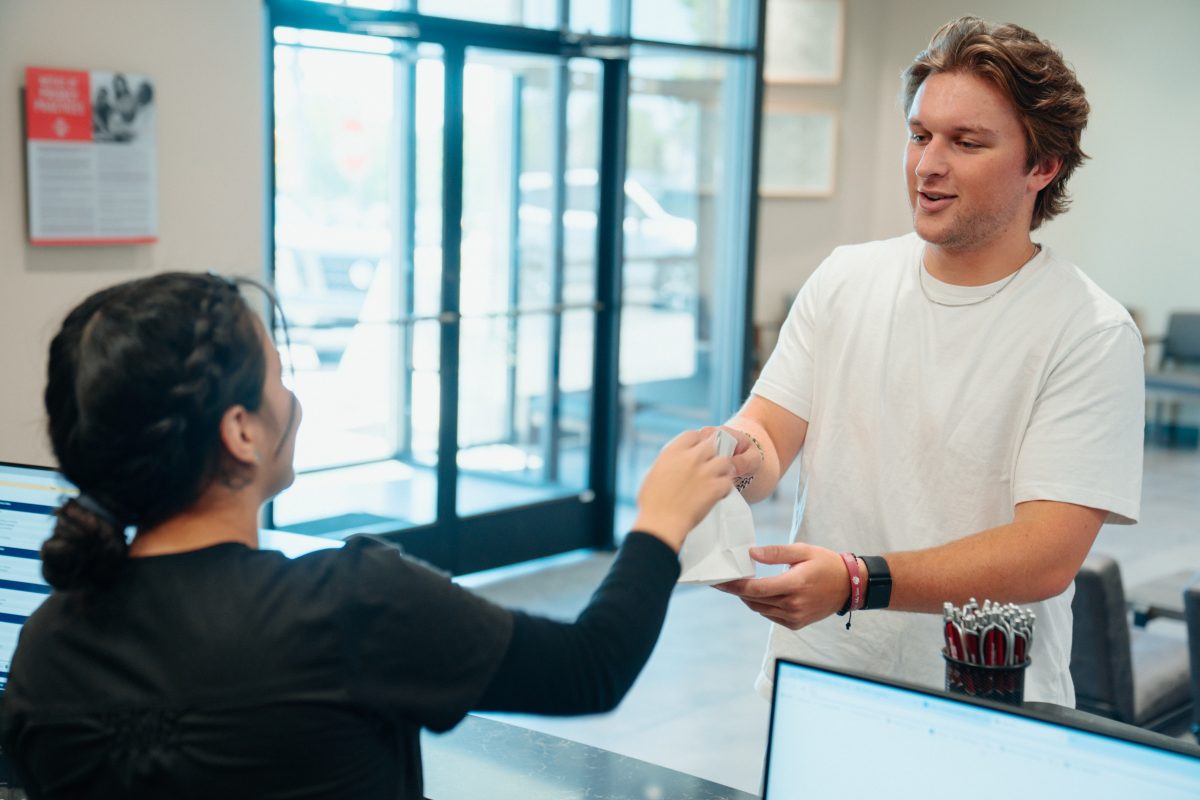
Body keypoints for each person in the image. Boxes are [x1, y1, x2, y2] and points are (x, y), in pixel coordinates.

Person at [0, 272, 736, 799]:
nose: (293, 398)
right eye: (279, 376)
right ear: (241, 432)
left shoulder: (45, 652)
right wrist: (659, 522)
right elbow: (590, 669)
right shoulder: (350, 604)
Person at [715, 16, 1143, 706]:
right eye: (919, 136)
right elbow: (768, 438)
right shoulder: (844, 279)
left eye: (966, 142)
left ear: (1043, 166)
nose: (927, 165)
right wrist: (729, 454)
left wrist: (859, 580)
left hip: (988, 699)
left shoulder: (1088, 332)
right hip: (818, 679)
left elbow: (1045, 553)